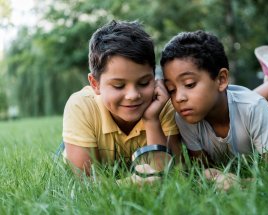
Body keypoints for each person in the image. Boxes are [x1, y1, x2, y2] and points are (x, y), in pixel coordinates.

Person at [160, 30, 268, 190]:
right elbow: (202, 170)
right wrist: (213, 176)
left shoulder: (253, 107)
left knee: (251, 106)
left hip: (248, 108)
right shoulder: (185, 118)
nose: (178, 98)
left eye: (190, 84)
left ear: (221, 79)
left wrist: (240, 183)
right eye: (171, 89)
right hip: (242, 112)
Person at [62, 20, 181, 181]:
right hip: (81, 141)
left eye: (144, 83)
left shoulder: (162, 102)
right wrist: (127, 184)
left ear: (154, 78)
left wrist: (152, 120)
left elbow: (171, 174)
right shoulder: (80, 106)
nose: (132, 95)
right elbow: (84, 183)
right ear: (95, 84)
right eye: (118, 86)